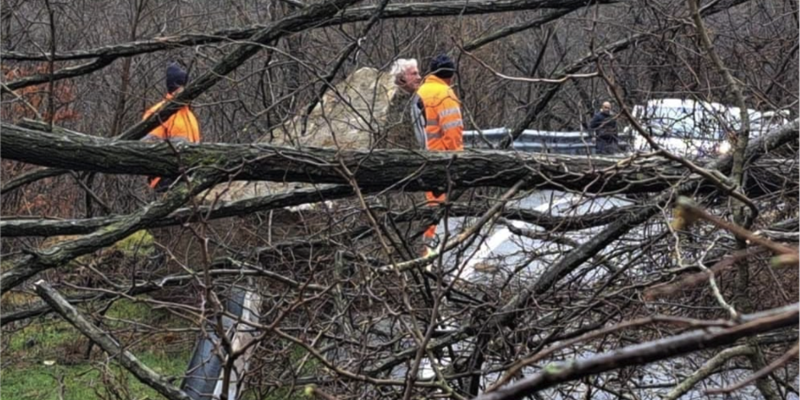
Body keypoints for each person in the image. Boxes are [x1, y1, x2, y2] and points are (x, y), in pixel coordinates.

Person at [416, 54, 464, 255]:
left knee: (426, 205)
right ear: (451, 75)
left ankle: (423, 248)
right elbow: (452, 131)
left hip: (421, 156)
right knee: (437, 207)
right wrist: (458, 160)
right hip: (440, 160)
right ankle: (431, 252)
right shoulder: (445, 94)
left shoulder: (420, 91)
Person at [142, 62, 201, 192]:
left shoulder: (190, 115)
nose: (186, 90)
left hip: (188, 175)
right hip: (166, 178)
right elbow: (146, 147)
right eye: (182, 86)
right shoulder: (159, 112)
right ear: (175, 87)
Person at [389, 58, 425, 149]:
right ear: (401, 78)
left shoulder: (414, 100)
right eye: (414, 74)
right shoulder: (395, 103)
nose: (419, 77)